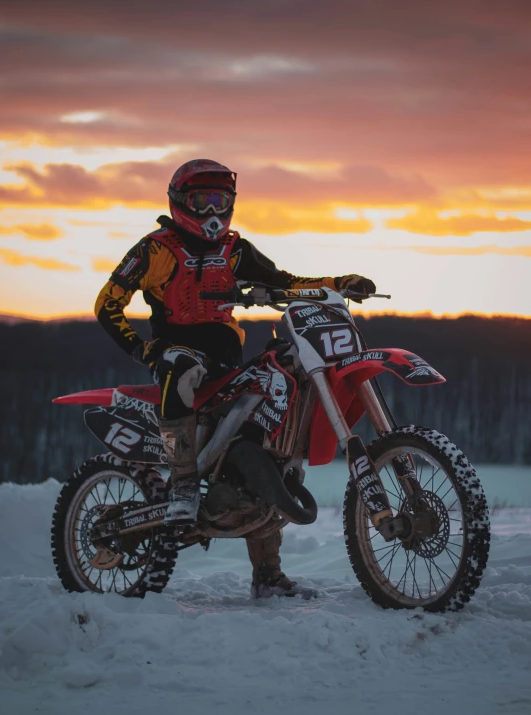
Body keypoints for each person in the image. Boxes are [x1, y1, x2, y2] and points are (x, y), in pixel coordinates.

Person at [95, 159, 376, 598]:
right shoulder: (155, 249)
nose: (211, 213)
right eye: (201, 202)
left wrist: (339, 283)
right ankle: (185, 481)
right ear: (180, 202)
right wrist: (140, 348)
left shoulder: (236, 250)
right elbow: (107, 302)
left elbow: (286, 281)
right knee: (183, 368)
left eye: (219, 202)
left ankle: (267, 575)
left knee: (268, 430)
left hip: (226, 359)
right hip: (177, 350)